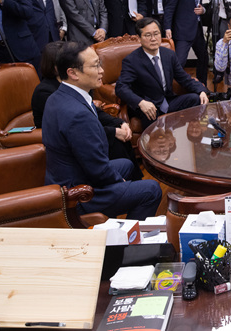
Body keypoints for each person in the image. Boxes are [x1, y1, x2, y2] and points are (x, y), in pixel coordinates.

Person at [42, 41, 161, 220]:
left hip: (69, 177)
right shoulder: (77, 114)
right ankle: (124, 235)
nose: (102, 71)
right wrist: (118, 182)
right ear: (73, 73)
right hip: (78, 193)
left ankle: (123, 205)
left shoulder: (58, 96)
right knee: (151, 190)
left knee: (126, 164)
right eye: (95, 66)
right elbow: (97, 168)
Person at [31, 41, 142, 180]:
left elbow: (94, 112)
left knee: (125, 158)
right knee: (151, 188)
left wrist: (119, 123)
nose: (101, 70)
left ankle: (134, 181)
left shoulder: (78, 85)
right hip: (76, 159)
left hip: (86, 134)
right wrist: (113, 131)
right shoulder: (48, 93)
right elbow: (79, 125)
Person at [115, 18, 209, 129]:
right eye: (148, 35)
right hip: (148, 105)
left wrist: (201, 90)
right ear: (139, 38)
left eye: (156, 34)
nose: (153, 39)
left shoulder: (169, 55)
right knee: (150, 114)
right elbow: (121, 87)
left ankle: (179, 132)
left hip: (167, 100)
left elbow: (184, 78)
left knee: (196, 99)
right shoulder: (132, 60)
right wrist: (141, 102)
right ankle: (152, 139)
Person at [164, 0, 208, 84]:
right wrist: (167, 28)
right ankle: (171, 88)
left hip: (197, 30)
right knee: (179, 62)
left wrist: (203, 10)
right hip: (182, 32)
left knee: (203, 58)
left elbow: (198, 5)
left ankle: (201, 86)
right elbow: (169, 9)